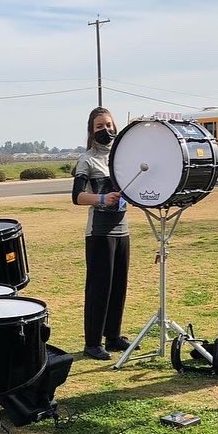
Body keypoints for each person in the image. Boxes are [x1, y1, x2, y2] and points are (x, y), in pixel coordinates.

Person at [72, 107, 131, 361]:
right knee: (99, 287)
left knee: (119, 284)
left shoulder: (123, 158)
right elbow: (77, 196)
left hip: (123, 230)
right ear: (91, 131)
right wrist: (102, 198)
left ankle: (113, 336)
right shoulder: (87, 160)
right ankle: (93, 341)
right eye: (99, 127)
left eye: (109, 125)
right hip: (99, 232)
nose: (106, 130)